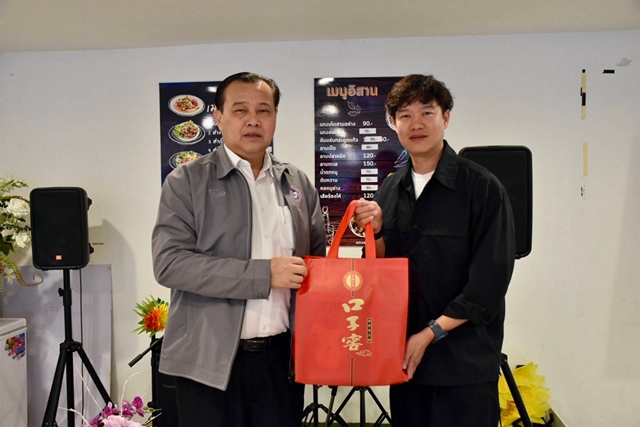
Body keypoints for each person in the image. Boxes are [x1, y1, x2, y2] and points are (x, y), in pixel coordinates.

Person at [152, 72, 326, 427]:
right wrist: (264, 275)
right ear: (218, 116)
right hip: (207, 363)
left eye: (264, 110)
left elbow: (317, 263)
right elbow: (170, 264)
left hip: (281, 362)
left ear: (275, 117)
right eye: (240, 110)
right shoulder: (187, 181)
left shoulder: (296, 182)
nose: (253, 120)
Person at [355, 74, 516, 427]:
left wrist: (430, 333)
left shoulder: (482, 188)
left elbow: (488, 283)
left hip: (464, 365)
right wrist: (376, 231)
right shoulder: (389, 190)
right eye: (405, 115)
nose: (416, 124)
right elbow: (380, 271)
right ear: (393, 123)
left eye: (427, 112)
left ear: (446, 117)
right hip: (407, 364)